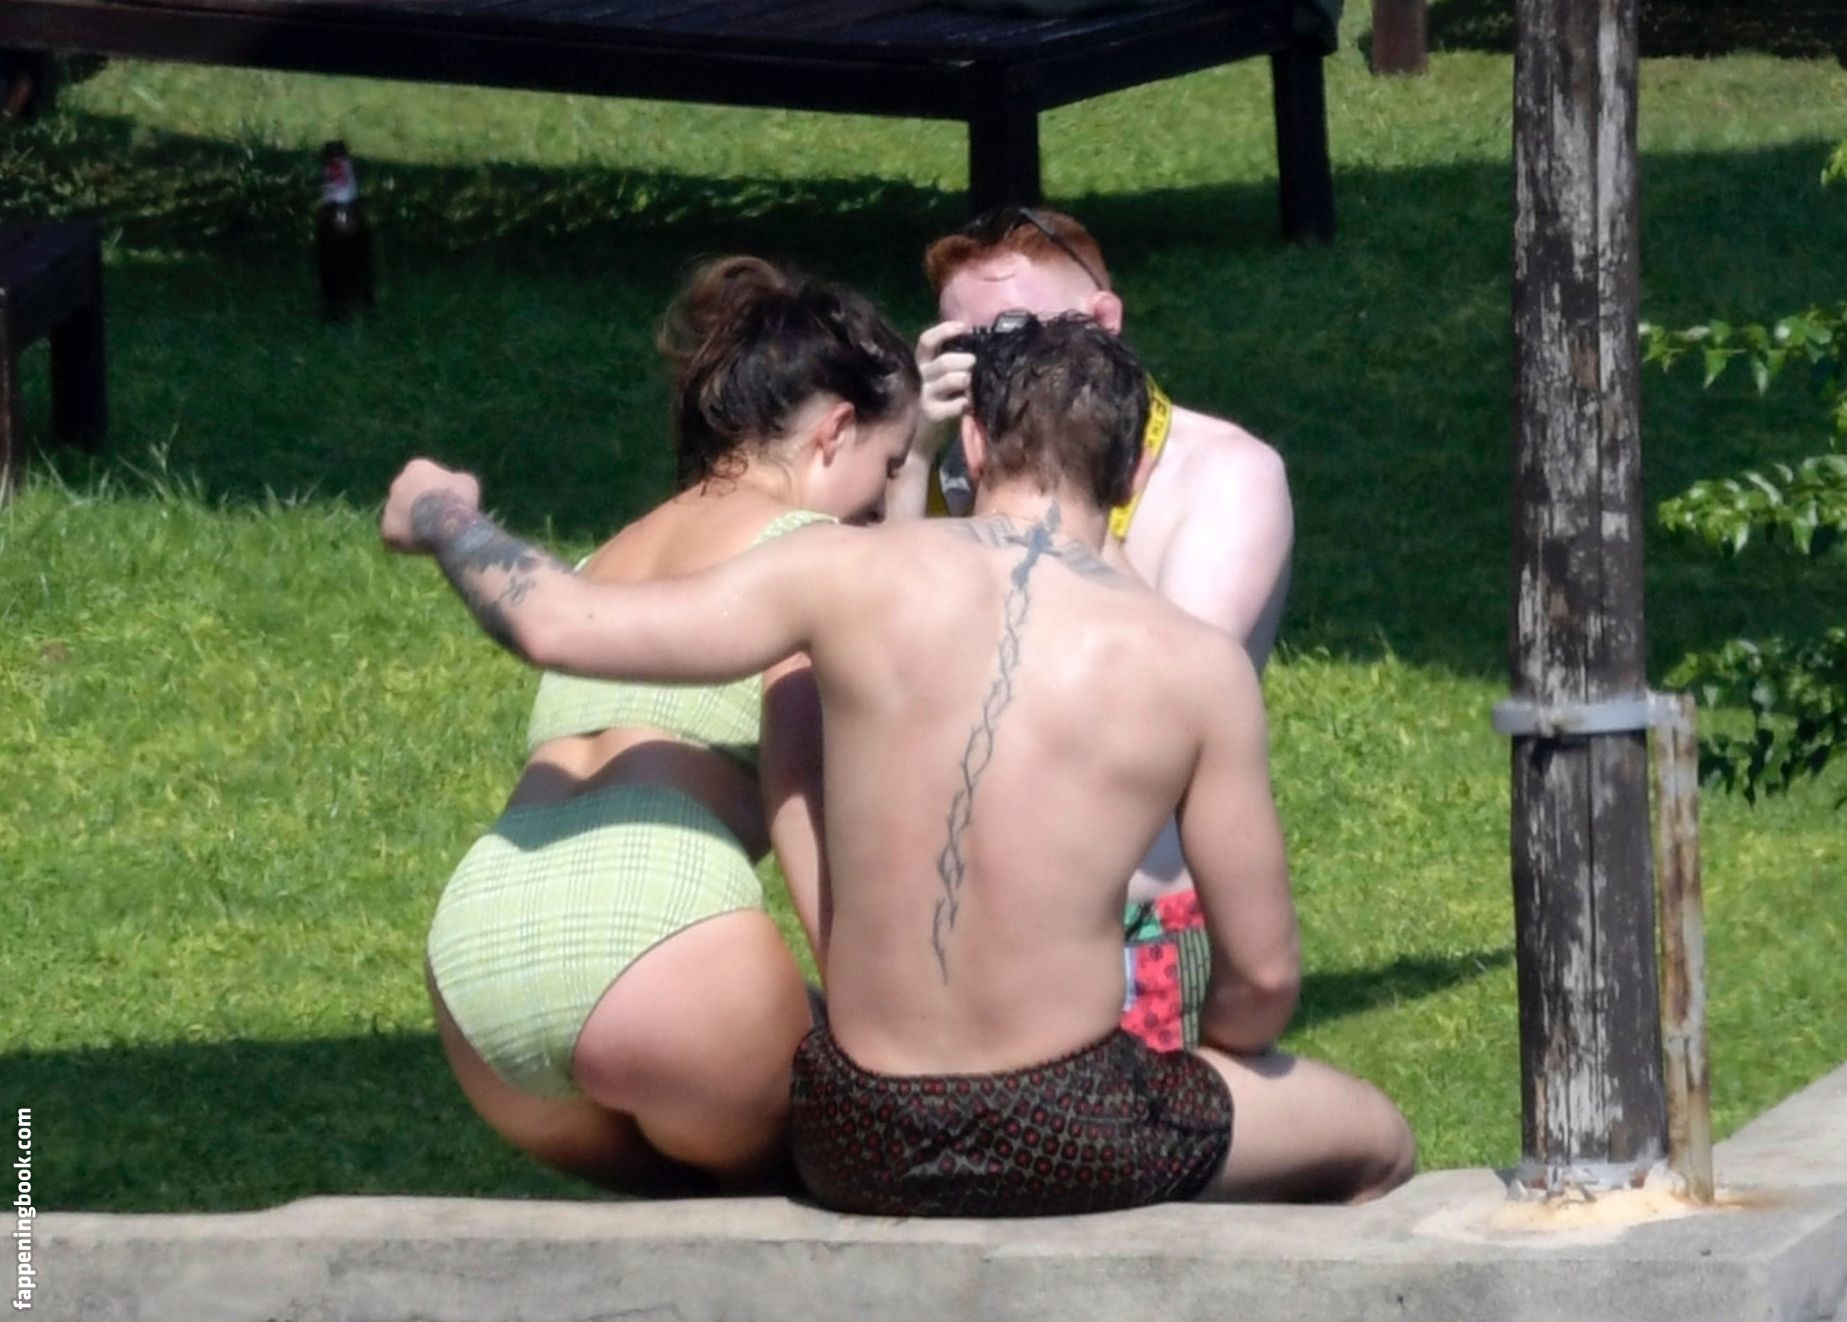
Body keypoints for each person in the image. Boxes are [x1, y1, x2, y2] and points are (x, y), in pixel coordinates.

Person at [382, 313, 1413, 1216]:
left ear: (974, 439)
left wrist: (442, 513)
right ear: (1135, 474)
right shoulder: (1195, 665)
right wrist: (1208, 1065)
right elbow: (1264, 976)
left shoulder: (840, 571)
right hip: (1073, 1123)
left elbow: (556, 622)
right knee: (1379, 1142)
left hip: (859, 1131)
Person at [418, 255, 919, 1193]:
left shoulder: (605, 558)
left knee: (676, 1224)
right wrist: (876, 1035)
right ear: (835, 431)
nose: (886, 505)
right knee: (881, 1160)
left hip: (479, 960)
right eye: (889, 468)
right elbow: (804, 805)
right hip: (667, 947)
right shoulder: (815, 557)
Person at [887, 207, 1297, 1053]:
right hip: (957, 923)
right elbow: (881, 658)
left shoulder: (1227, 474)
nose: (1007, 368)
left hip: (1128, 919)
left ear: (1104, 321)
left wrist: (1070, 479)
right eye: (975, 344)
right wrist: (917, 455)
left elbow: (1169, 690)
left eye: (1027, 335)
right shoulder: (949, 471)